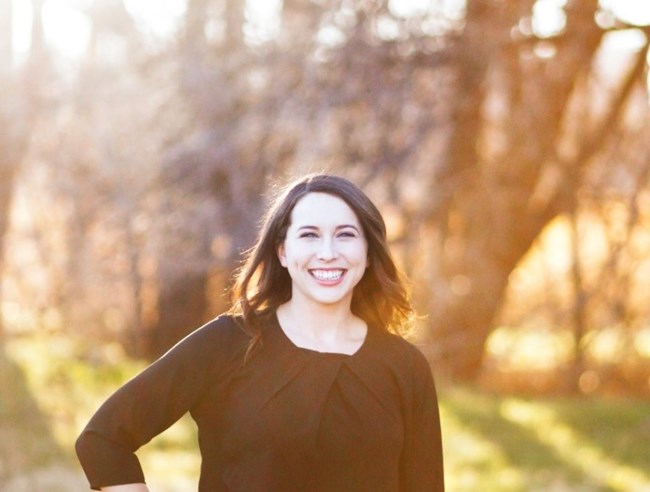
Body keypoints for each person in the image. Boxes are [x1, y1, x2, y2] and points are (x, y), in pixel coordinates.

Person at [76, 173, 445, 491]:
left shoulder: (405, 368)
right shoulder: (227, 344)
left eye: (346, 235)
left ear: (368, 252)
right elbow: (103, 440)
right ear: (283, 251)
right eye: (310, 235)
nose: (328, 252)